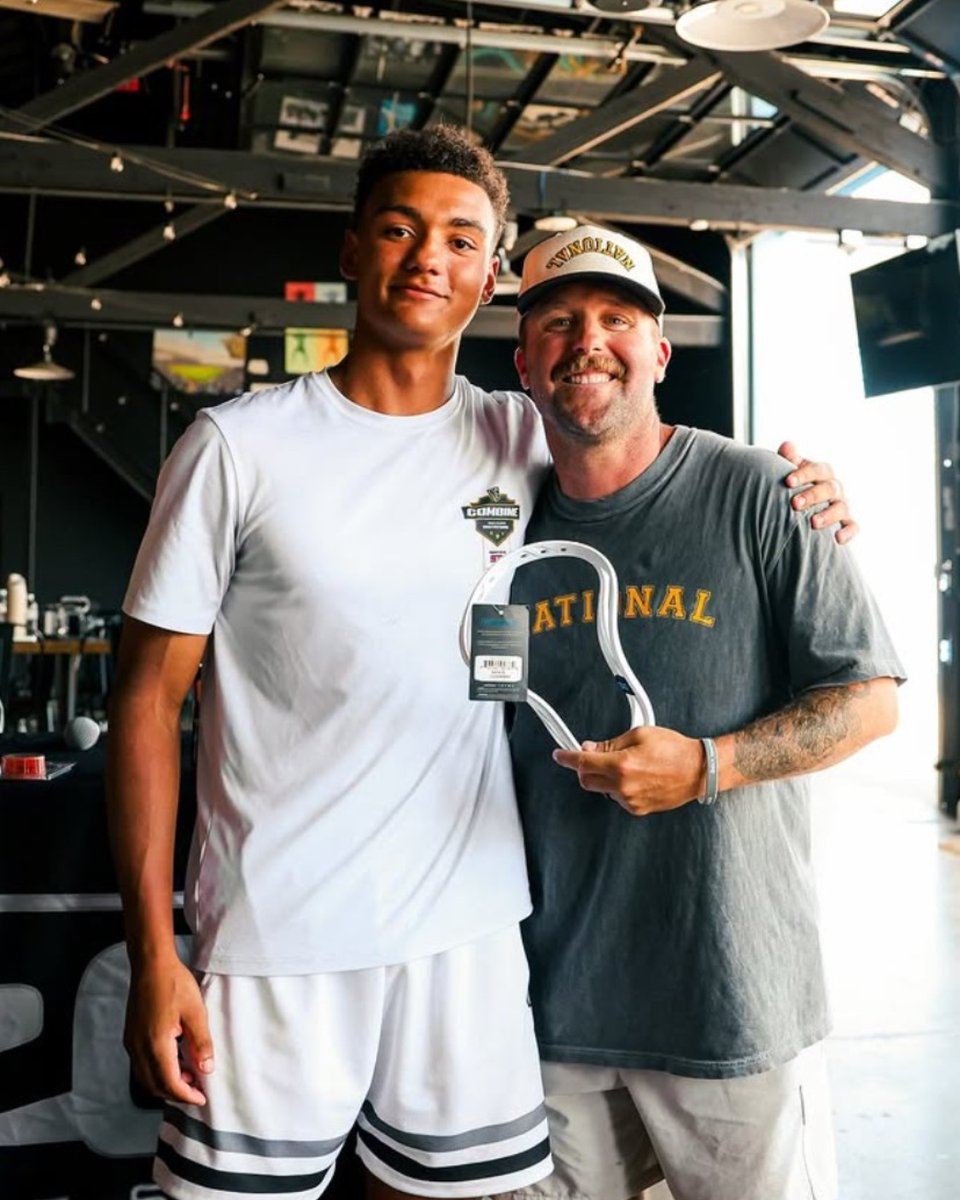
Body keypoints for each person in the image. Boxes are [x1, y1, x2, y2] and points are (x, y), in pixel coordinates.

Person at [106, 126, 855, 1200]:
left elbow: (639, 447)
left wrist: (807, 491)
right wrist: (154, 954)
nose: (429, 259)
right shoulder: (237, 447)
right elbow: (145, 704)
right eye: (400, 230)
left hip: (468, 938)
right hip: (276, 939)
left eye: (462, 239)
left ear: (489, 276)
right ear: (353, 249)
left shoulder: (522, 435)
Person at [503, 225, 905, 1200]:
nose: (587, 341)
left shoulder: (763, 494)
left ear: (659, 350)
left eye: (616, 319)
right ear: (523, 363)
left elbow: (868, 699)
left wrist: (708, 766)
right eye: (558, 322)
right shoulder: (504, 522)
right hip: (548, 1010)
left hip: (731, 1003)